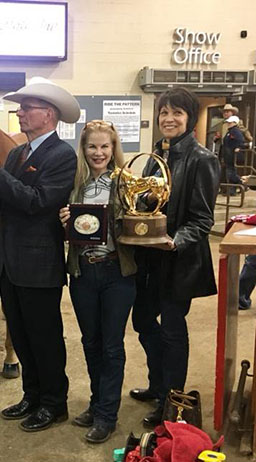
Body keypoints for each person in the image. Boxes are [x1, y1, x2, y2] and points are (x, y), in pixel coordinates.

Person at [0, 77, 79, 432]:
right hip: (11, 262)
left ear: (48, 115)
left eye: (27, 108)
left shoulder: (62, 155)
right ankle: (32, 394)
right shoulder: (18, 152)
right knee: (20, 333)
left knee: (44, 336)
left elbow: (38, 203)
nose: (19, 113)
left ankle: (55, 403)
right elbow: (4, 200)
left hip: (39, 264)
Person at [129, 87, 219, 427]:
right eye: (164, 112)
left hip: (178, 261)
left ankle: (171, 400)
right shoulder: (155, 156)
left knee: (172, 331)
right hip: (149, 259)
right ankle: (157, 385)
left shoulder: (203, 160)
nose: (168, 118)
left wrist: (174, 241)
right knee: (142, 322)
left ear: (189, 118)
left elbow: (202, 219)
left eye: (176, 112)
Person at [58, 121, 136, 443]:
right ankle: (96, 403)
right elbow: (70, 230)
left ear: (114, 147)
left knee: (111, 345)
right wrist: (65, 221)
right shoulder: (75, 184)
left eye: (105, 147)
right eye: (92, 147)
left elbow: (140, 223)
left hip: (117, 272)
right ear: (84, 149)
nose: (99, 153)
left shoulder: (125, 183)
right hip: (83, 272)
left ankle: (107, 415)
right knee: (90, 343)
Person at [222, 115, 245, 190]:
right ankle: (232, 189)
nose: (228, 124)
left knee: (231, 173)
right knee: (229, 172)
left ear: (235, 123)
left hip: (232, 156)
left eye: (230, 123)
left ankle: (242, 183)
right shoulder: (230, 132)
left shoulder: (235, 131)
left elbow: (241, 141)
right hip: (228, 155)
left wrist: (238, 147)